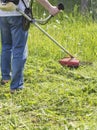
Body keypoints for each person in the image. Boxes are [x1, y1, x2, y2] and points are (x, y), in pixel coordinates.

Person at [0, 0, 59, 93]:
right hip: (18, 13)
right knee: (19, 49)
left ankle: (5, 77)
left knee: (6, 46)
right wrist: (50, 8)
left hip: (3, 13)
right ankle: (16, 86)